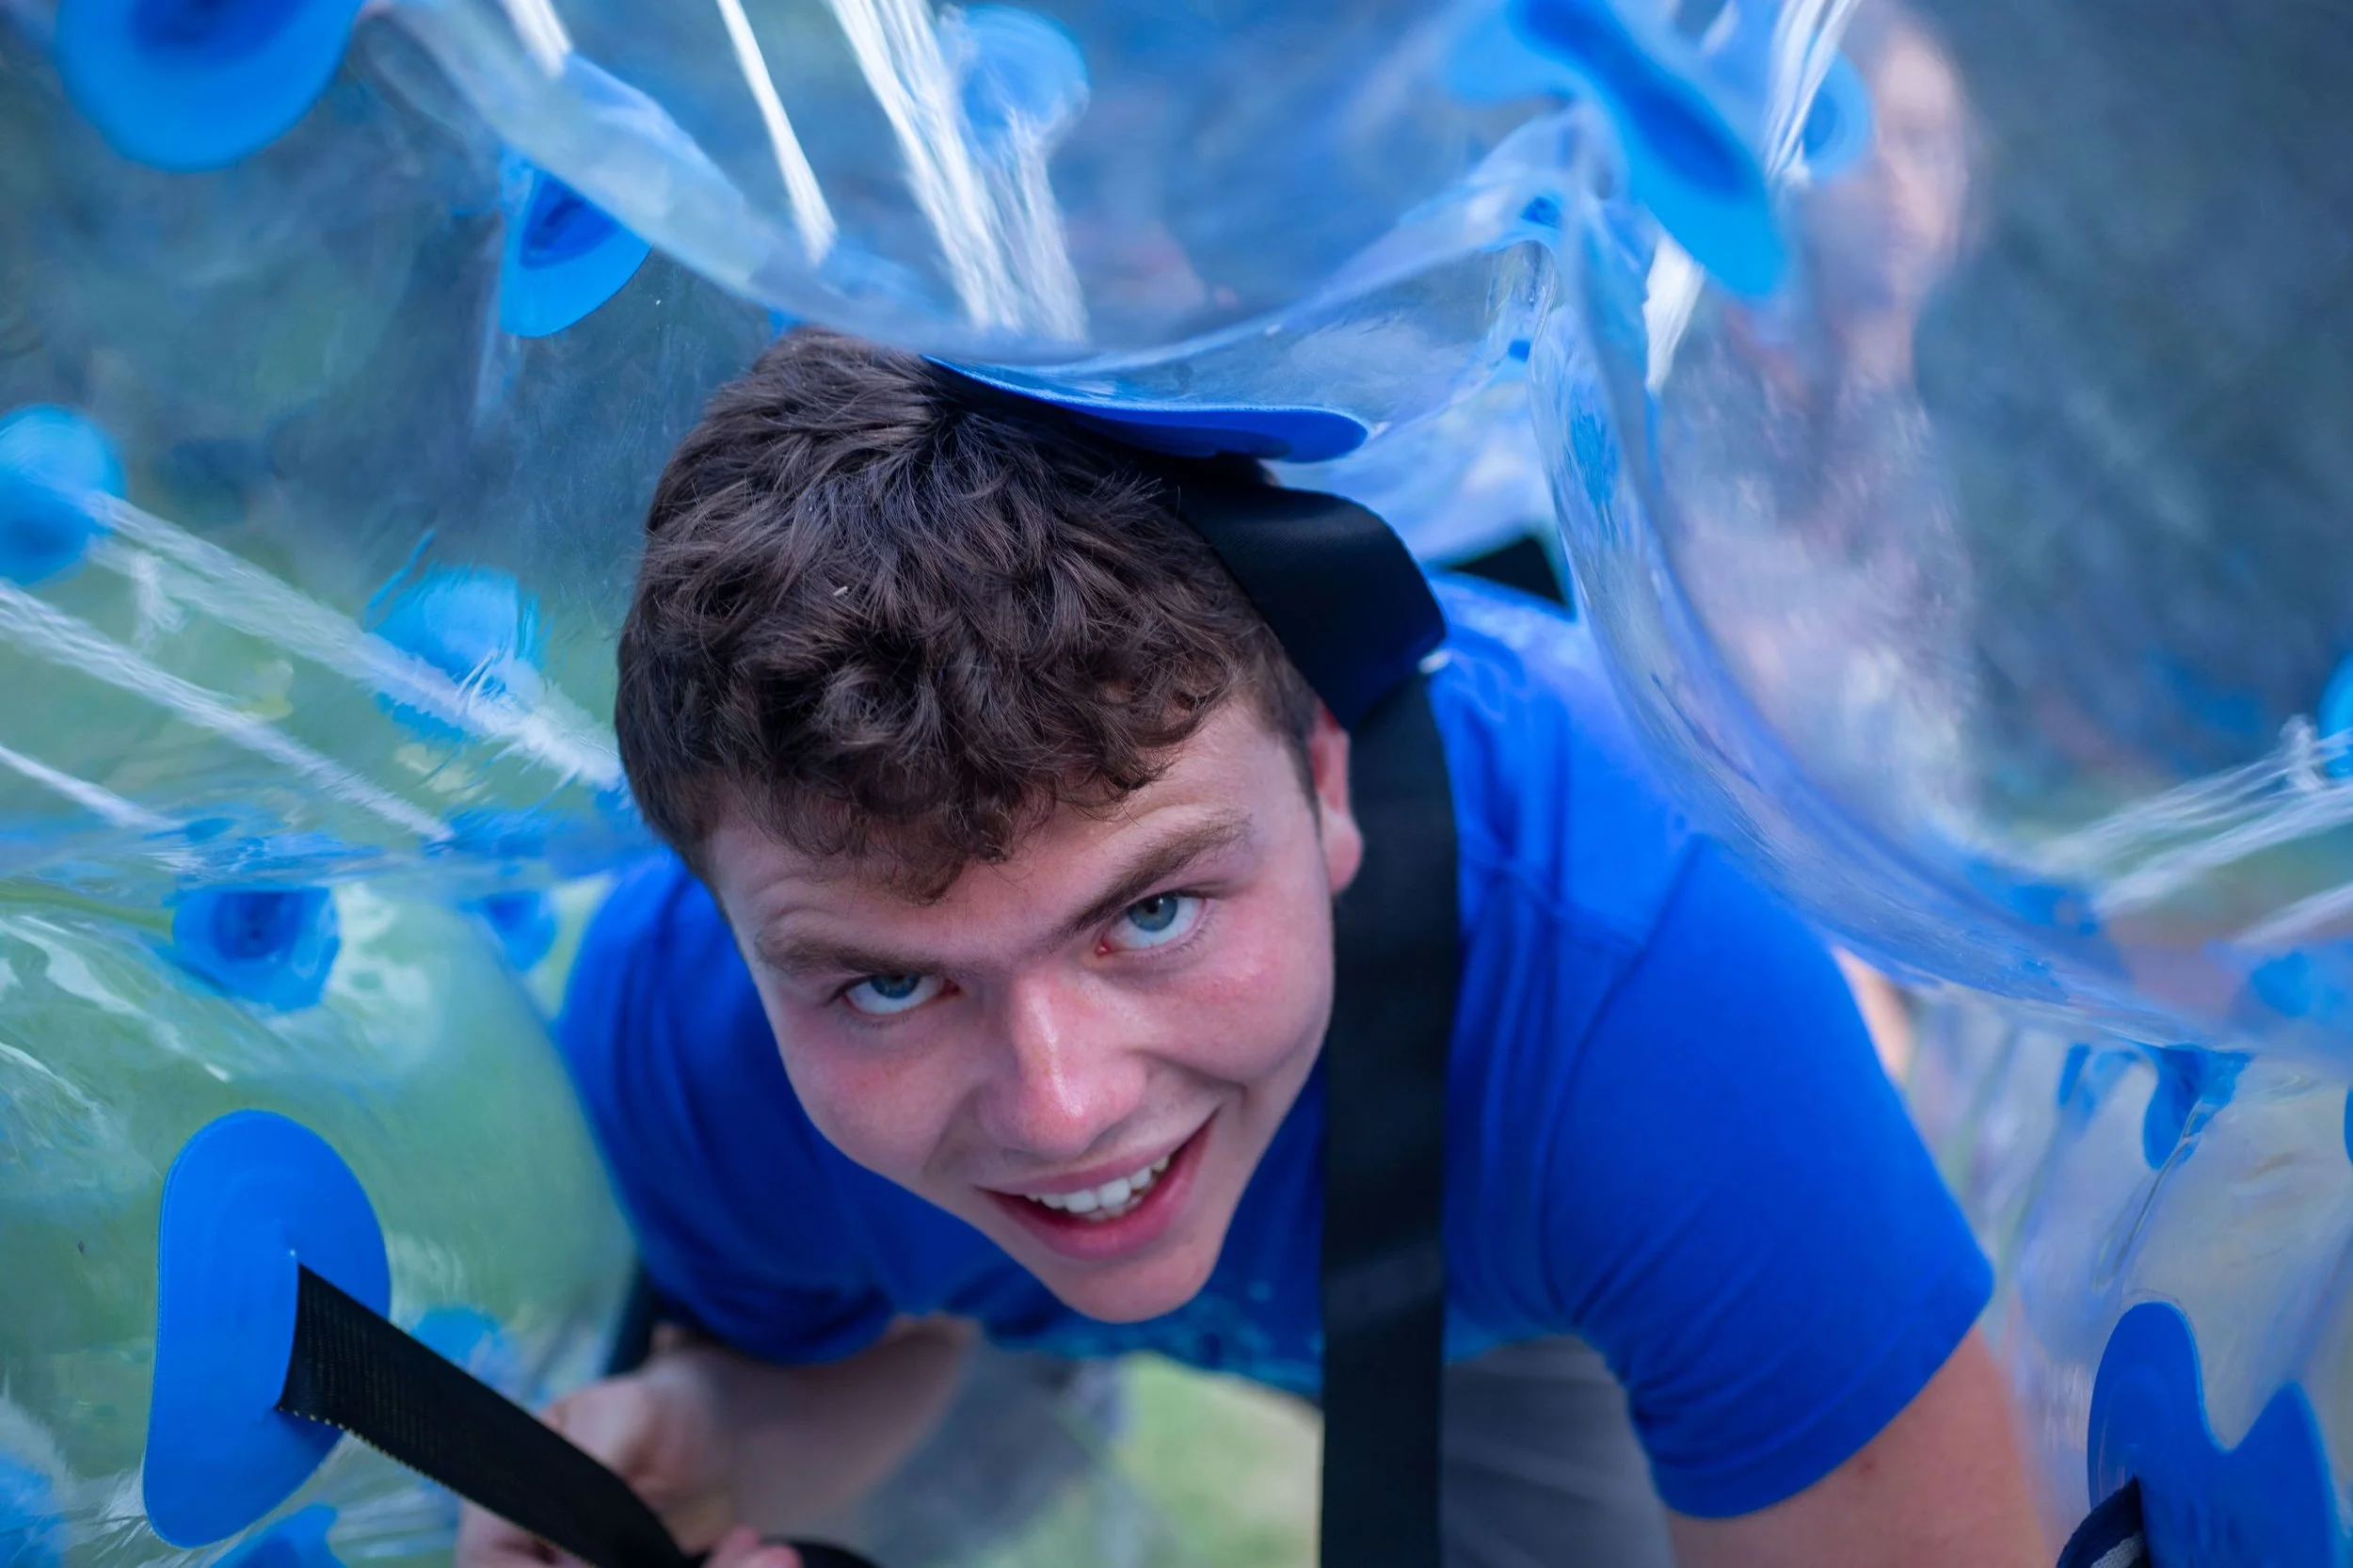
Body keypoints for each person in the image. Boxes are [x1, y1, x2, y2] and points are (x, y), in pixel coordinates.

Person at [459, 328, 2042, 1568]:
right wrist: (712, 1434)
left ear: (1327, 779)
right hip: (983, 1274)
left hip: (1521, 1266)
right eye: (890, 980)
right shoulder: (682, 1034)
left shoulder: (1652, 1010)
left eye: (1150, 910)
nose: (1062, 1103)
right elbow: (835, 1364)